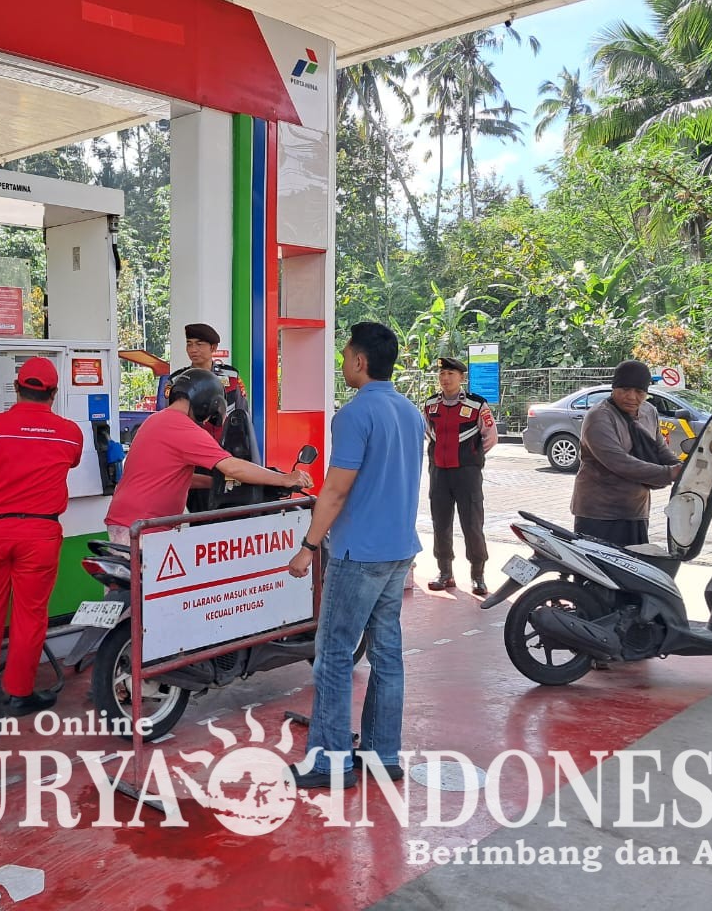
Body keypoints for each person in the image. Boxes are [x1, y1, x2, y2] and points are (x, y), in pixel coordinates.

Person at [287, 322, 425, 789]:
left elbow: (335, 490)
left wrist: (308, 546)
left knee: (333, 654)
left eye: (345, 356)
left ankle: (329, 763)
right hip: (399, 550)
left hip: (358, 552)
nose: (343, 363)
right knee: (387, 654)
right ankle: (383, 754)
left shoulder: (353, 415)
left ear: (360, 361)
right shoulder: (410, 412)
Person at [0, 357, 84, 716]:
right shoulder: (70, 433)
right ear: (54, 393)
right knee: (30, 615)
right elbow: (71, 462)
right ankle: (18, 693)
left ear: (16, 388)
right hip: (40, 533)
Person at [105, 368, 310, 544]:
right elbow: (232, 467)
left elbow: (173, 476)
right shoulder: (183, 427)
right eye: (210, 414)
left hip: (127, 521)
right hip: (144, 527)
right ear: (206, 404)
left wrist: (217, 483)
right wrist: (284, 478)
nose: (206, 421)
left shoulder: (156, 420)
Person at [571, 359, 682, 546]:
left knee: (635, 562)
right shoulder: (599, 417)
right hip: (599, 514)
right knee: (598, 564)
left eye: (639, 392)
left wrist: (685, 469)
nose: (631, 397)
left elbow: (659, 450)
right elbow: (620, 463)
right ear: (614, 388)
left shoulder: (649, 411)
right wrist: (670, 473)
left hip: (635, 511)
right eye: (625, 389)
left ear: (646, 393)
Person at [423, 357, 498, 596]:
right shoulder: (430, 404)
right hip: (439, 473)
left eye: (451, 374)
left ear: (462, 378)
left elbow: (490, 436)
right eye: (442, 374)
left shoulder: (477, 404)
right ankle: (445, 572)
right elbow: (427, 433)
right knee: (440, 523)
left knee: (472, 524)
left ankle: (478, 575)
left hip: (467, 474)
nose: (445, 378)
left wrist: (471, 456)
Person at [164, 322, 249, 422]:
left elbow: (243, 412)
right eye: (189, 344)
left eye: (199, 344)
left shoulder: (231, 376)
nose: (193, 350)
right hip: (190, 431)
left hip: (225, 431)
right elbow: (167, 415)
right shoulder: (177, 380)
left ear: (213, 347)